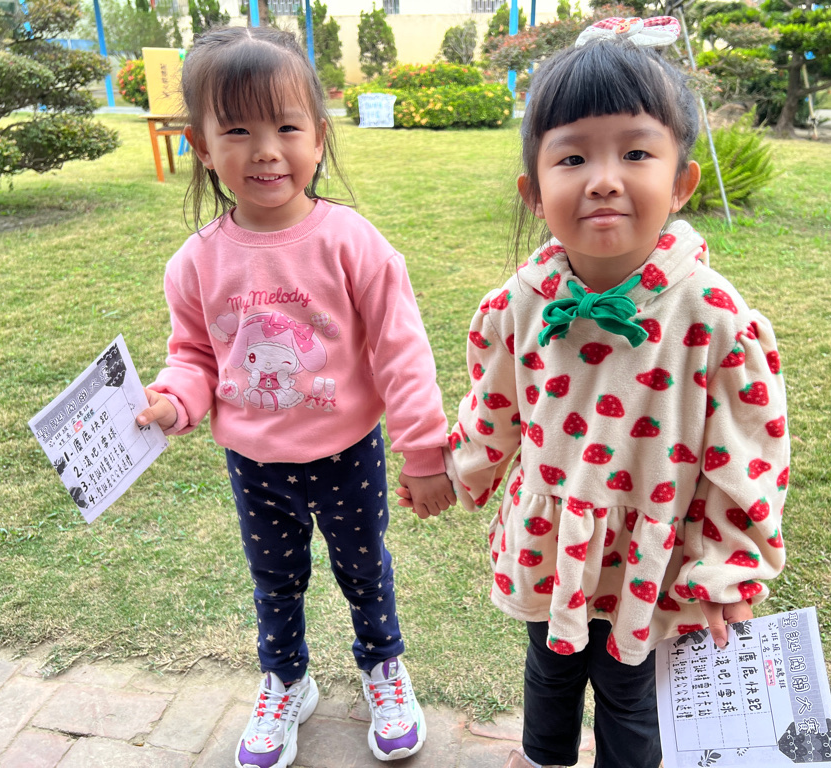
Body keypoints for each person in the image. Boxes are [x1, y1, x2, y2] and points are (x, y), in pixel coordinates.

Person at [398, 16, 789, 768]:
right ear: (534, 191)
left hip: (652, 555)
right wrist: (452, 472)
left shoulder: (713, 317)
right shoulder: (520, 303)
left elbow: (747, 451)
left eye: (635, 153)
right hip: (554, 542)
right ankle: (543, 757)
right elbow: (494, 410)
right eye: (573, 156)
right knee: (548, 667)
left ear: (681, 182)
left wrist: (728, 564)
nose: (604, 178)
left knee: (630, 687)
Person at [136, 26, 456, 768]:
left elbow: (401, 349)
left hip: (347, 453)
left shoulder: (353, 242)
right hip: (255, 463)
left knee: (364, 571)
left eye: (286, 127)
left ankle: (383, 668)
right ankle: (286, 680)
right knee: (275, 581)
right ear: (201, 145)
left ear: (318, 136)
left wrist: (423, 451)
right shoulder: (195, 262)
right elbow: (193, 355)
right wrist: (173, 401)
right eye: (237, 131)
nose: (265, 151)